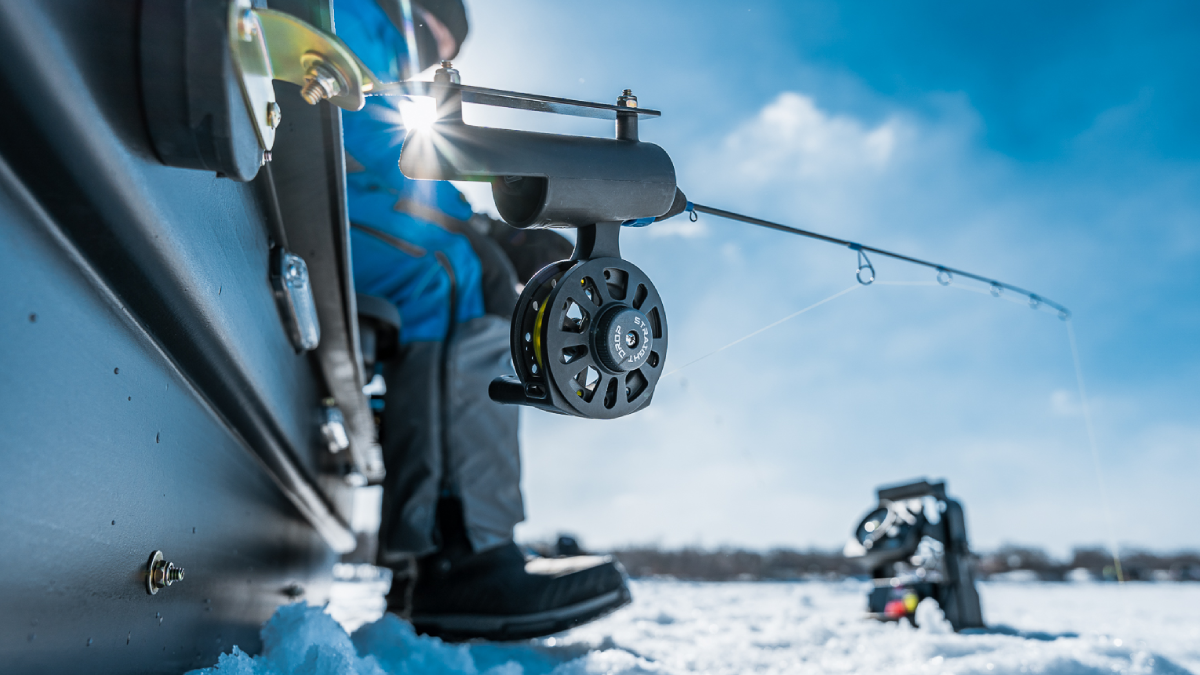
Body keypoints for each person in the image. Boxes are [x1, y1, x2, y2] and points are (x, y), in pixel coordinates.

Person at [333, 0, 632, 641]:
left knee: (476, 266)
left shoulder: (388, 44)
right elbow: (364, 141)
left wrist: (496, 231)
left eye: (445, 51)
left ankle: (428, 562)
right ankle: (460, 555)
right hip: (316, 195)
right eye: (435, 36)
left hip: (353, 204)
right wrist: (476, 232)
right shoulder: (355, 17)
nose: (434, 56)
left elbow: (418, 178)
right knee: (450, 279)